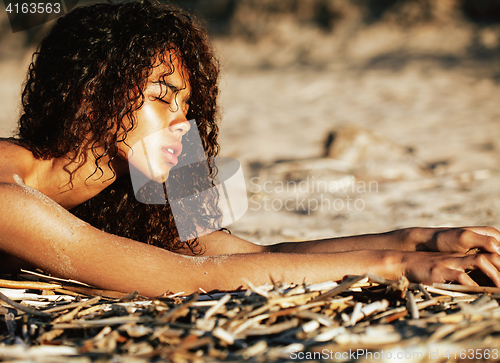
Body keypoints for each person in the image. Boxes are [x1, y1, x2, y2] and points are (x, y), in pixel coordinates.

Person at [1, 1, 500, 298]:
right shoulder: (9, 197)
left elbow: (257, 257)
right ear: (91, 97)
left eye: (188, 103)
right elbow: (183, 276)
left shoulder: (153, 165)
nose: (181, 121)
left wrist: (418, 241)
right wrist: (390, 267)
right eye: (160, 96)